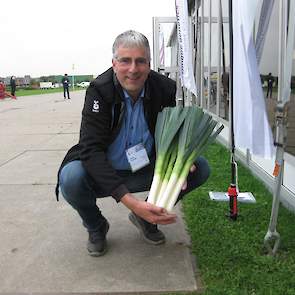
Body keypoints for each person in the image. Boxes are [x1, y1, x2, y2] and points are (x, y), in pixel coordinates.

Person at [56, 30, 210, 257]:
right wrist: (130, 201)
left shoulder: (165, 88)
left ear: (149, 64)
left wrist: (180, 159)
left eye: (140, 61)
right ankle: (96, 226)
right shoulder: (99, 90)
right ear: (114, 63)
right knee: (71, 178)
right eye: (125, 61)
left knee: (200, 167)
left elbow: (171, 135)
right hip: (104, 171)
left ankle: (147, 216)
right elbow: (90, 150)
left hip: (146, 168)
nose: (133, 69)